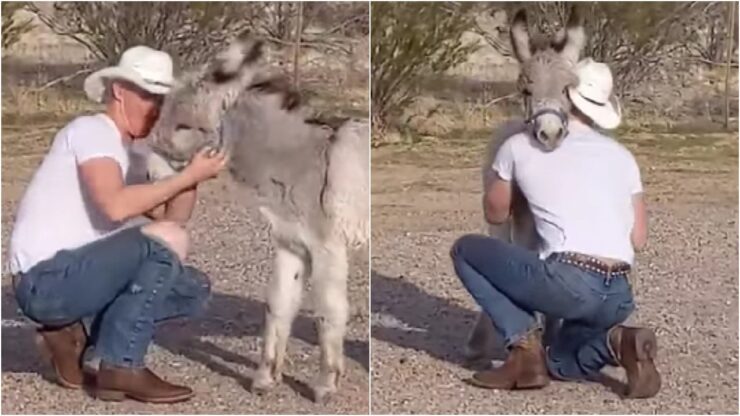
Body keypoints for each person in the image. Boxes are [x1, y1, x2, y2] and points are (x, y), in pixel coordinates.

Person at [8, 45, 229, 403]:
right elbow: (114, 207)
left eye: (160, 98)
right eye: (145, 95)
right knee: (164, 244)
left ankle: (73, 335)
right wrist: (185, 175)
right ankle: (119, 365)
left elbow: (173, 221)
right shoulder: (93, 132)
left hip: (77, 278)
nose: (154, 106)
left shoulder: (135, 153)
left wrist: (190, 174)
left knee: (191, 288)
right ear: (118, 91)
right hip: (45, 280)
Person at [450, 58, 661, 398]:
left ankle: (522, 348)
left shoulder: (519, 144)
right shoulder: (622, 156)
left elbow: (496, 215)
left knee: (465, 251)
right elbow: (639, 238)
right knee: (560, 362)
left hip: (569, 284)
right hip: (619, 295)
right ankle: (618, 342)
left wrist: (503, 179)